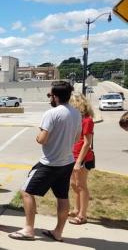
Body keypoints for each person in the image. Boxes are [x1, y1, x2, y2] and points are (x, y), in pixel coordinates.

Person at [8, 81, 81, 242]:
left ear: (55, 96)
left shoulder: (51, 114)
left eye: (50, 95)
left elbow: (41, 139)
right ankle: (58, 232)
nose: (50, 98)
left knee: (26, 191)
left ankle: (28, 229)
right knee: (62, 196)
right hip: (67, 161)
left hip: (49, 163)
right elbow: (77, 139)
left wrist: (39, 134)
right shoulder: (76, 113)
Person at [69, 93, 95, 225]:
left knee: (81, 186)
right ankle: (76, 209)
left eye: (72, 104)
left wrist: (79, 162)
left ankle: (82, 216)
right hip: (73, 156)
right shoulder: (76, 119)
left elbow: (87, 143)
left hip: (83, 158)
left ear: (78, 104)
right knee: (74, 185)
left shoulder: (87, 120)